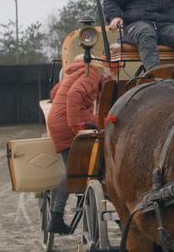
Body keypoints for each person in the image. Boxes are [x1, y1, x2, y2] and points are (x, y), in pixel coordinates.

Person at [46, 56, 109, 234]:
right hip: (68, 123)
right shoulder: (93, 73)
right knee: (73, 171)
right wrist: (76, 126)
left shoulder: (75, 72)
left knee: (73, 169)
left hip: (58, 121)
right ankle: (56, 216)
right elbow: (74, 95)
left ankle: (57, 215)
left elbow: (54, 93)